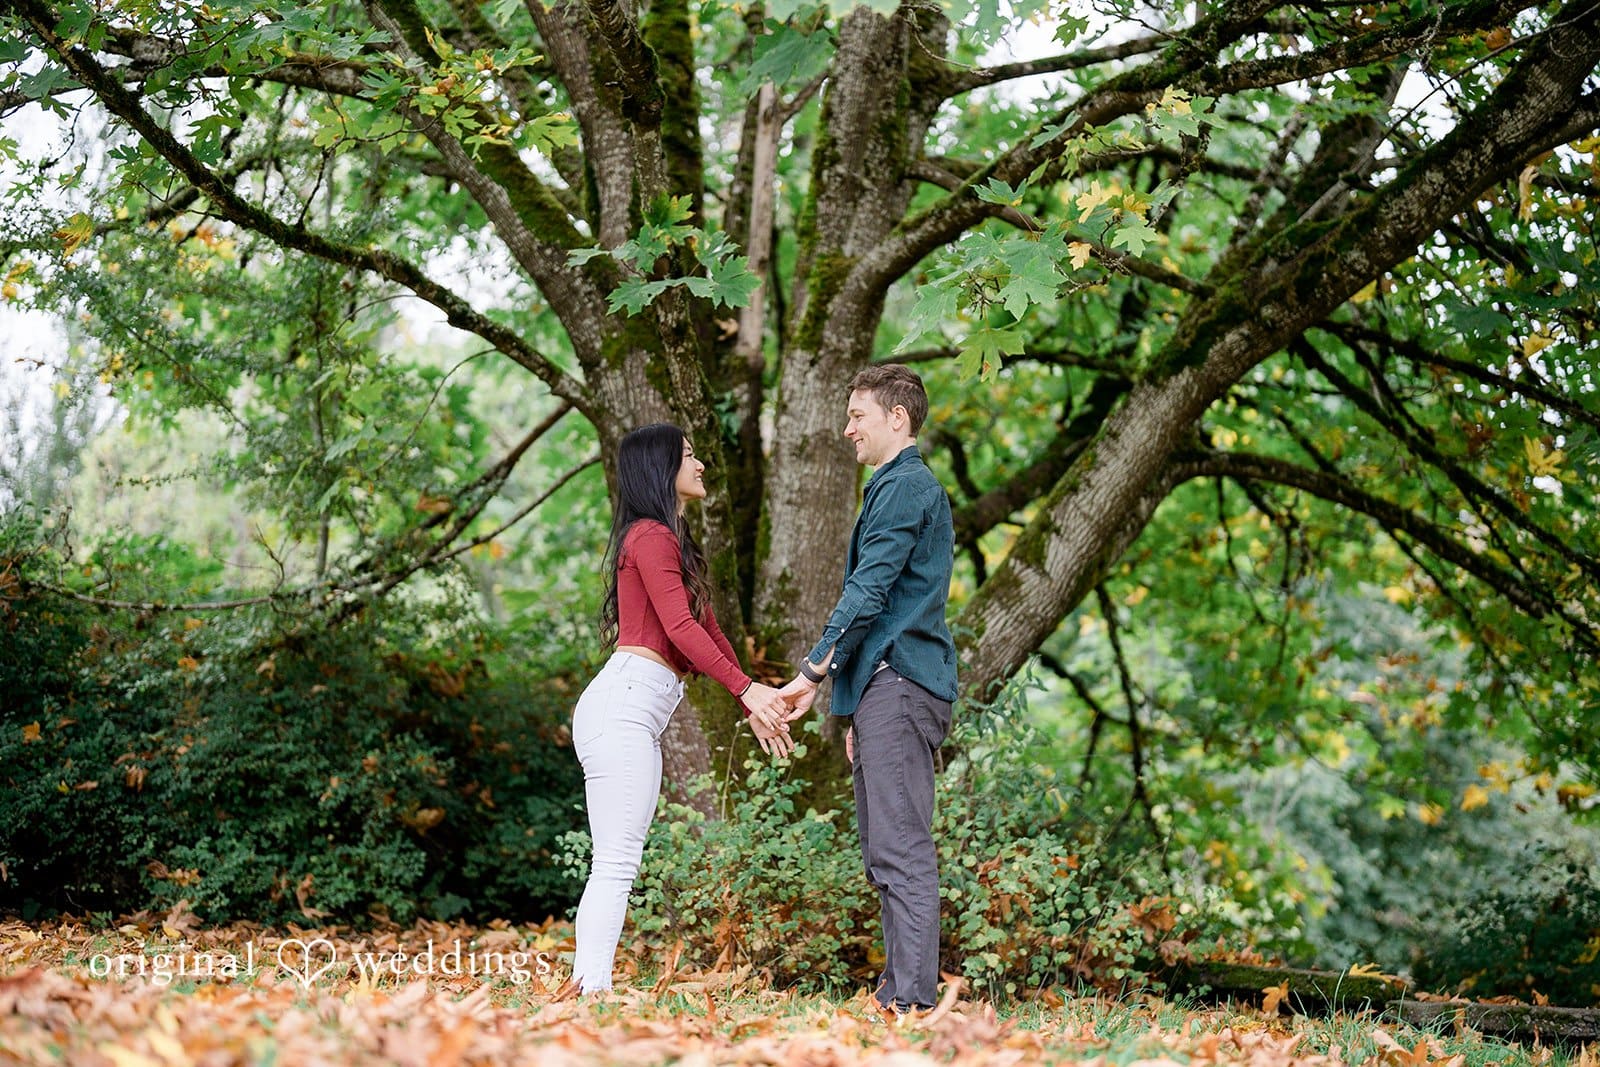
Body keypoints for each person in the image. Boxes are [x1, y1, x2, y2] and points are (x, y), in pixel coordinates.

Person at [565, 423, 792, 997]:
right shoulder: (649, 537)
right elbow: (680, 629)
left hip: (635, 709)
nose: (702, 465)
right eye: (689, 455)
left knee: (620, 860)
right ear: (661, 468)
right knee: (615, 863)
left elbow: (709, 630)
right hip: (622, 708)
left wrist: (754, 702)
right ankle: (590, 991)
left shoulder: (673, 541)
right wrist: (746, 691)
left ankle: (591, 988)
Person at [779, 364, 958, 1014]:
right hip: (885, 690)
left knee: (901, 840)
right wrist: (853, 706)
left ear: (897, 418)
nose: (847, 427)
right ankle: (897, 990)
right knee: (885, 843)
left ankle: (912, 1000)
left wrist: (812, 671)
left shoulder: (907, 486)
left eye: (858, 414)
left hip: (902, 684)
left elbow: (870, 590)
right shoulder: (890, 488)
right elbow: (883, 603)